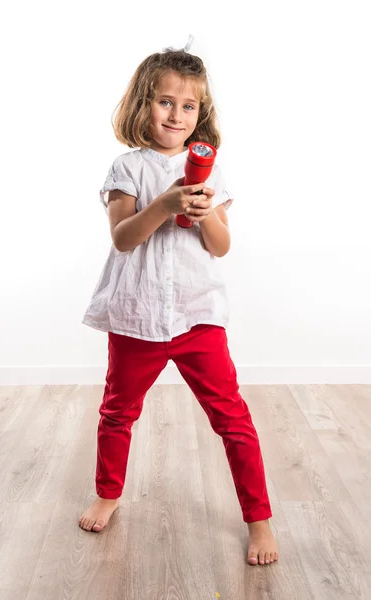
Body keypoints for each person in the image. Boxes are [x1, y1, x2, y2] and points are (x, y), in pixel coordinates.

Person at [79, 36, 279, 567]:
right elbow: (123, 239)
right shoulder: (128, 168)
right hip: (137, 318)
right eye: (165, 100)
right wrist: (165, 204)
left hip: (197, 317)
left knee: (232, 417)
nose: (176, 113)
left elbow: (220, 246)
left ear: (201, 114)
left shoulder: (210, 171)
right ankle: (108, 491)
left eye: (188, 105)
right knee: (118, 411)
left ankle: (259, 521)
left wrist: (202, 210)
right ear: (143, 102)